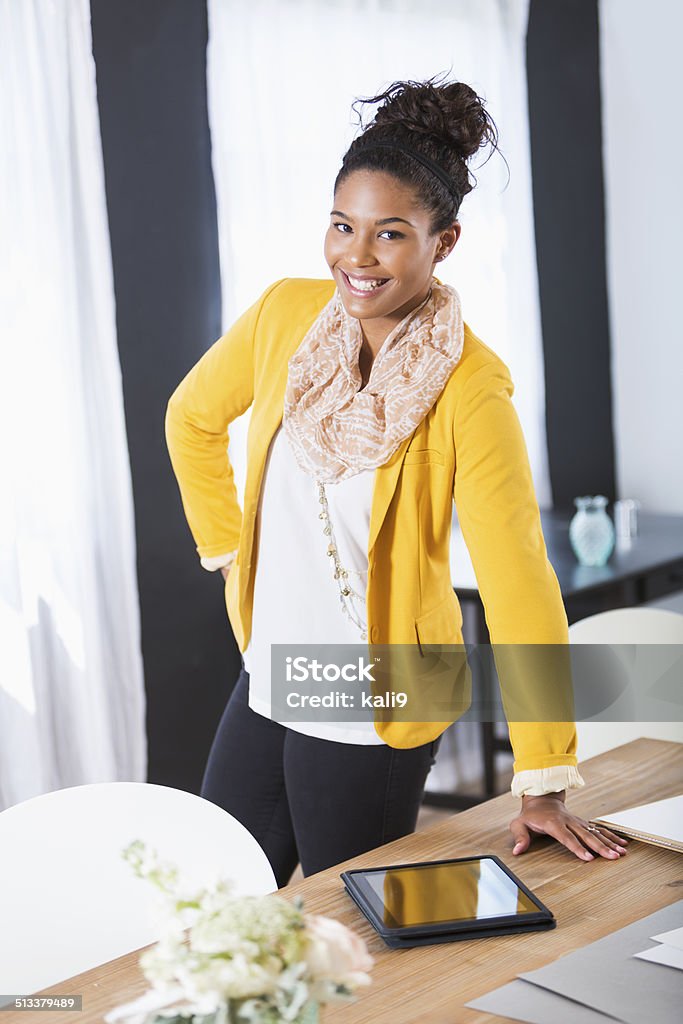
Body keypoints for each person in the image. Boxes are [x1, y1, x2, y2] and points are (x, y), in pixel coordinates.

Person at [165, 77, 627, 887]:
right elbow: (190, 418)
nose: (357, 256)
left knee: (356, 923)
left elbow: (518, 579)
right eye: (342, 226)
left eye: (389, 234)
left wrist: (543, 774)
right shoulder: (283, 316)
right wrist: (229, 552)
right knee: (224, 903)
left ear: (441, 242)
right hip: (272, 666)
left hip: (377, 691)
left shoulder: (470, 388)